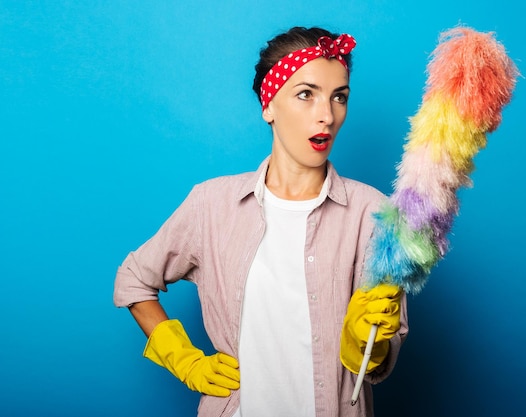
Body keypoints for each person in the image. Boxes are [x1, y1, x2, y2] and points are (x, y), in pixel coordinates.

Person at [114, 26, 409, 417]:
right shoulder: (212, 205)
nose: (327, 115)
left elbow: (378, 363)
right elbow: (133, 281)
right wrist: (185, 360)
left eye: (339, 97)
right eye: (306, 94)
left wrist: (367, 344)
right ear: (268, 105)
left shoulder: (373, 214)